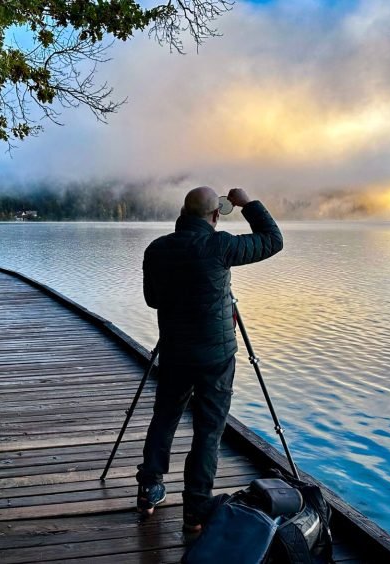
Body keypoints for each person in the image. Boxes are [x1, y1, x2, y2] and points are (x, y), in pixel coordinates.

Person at [137, 186, 283, 532]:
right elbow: (272, 240)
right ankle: (196, 508)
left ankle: (149, 489)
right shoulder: (221, 245)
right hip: (215, 357)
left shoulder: (156, 249)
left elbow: (152, 300)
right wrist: (248, 203)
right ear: (215, 215)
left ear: (183, 213)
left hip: (174, 351)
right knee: (208, 430)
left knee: (165, 418)